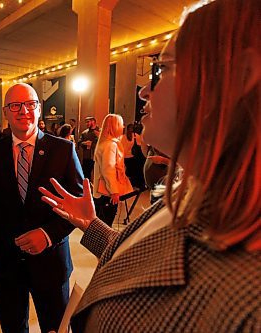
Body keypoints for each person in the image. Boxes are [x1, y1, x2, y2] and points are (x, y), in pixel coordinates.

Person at [39, 0, 260, 331]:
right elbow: (147, 265)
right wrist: (91, 223)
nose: (143, 91)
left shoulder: (249, 303)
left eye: (161, 70)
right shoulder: (190, 191)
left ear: (239, 76)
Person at [0, 83, 84, 333]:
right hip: (6, 265)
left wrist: (48, 234)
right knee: (13, 327)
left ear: (38, 108)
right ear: (5, 111)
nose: (23, 110)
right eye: (15, 105)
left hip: (51, 263)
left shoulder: (63, 150)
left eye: (30, 104)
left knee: (55, 327)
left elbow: (78, 206)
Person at [91, 114, 133, 227]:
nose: (123, 127)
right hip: (107, 192)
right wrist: (114, 191)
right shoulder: (110, 145)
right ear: (114, 126)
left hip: (102, 191)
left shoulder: (105, 143)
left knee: (102, 224)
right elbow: (108, 169)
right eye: (120, 124)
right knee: (105, 225)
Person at [120, 123, 146, 189]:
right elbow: (141, 144)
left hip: (125, 157)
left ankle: (127, 185)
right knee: (134, 172)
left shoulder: (123, 137)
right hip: (132, 157)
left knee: (127, 172)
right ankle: (133, 185)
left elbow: (121, 148)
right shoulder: (136, 136)